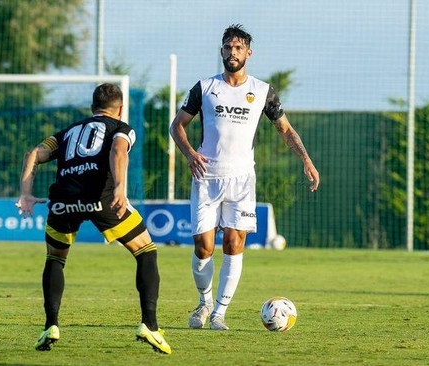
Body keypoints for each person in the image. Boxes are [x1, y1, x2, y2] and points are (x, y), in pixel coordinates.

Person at [169, 24, 320, 331]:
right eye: (227, 47)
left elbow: (286, 130)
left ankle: (219, 313)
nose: (232, 52)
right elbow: (177, 126)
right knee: (203, 247)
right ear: (221, 51)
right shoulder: (205, 88)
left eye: (238, 48)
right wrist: (189, 154)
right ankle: (204, 301)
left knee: (234, 244)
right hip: (207, 176)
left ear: (248, 53)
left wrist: (306, 159)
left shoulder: (263, 91)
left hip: (241, 180)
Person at [16, 83, 171, 354]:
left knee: (55, 258)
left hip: (63, 201)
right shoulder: (121, 128)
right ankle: (150, 325)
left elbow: (34, 154)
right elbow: (118, 151)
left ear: (92, 108)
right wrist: (121, 188)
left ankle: (50, 325)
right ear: (120, 109)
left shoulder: (66, 133)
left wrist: (26, 194)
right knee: (146, 251)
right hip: (103, 198)